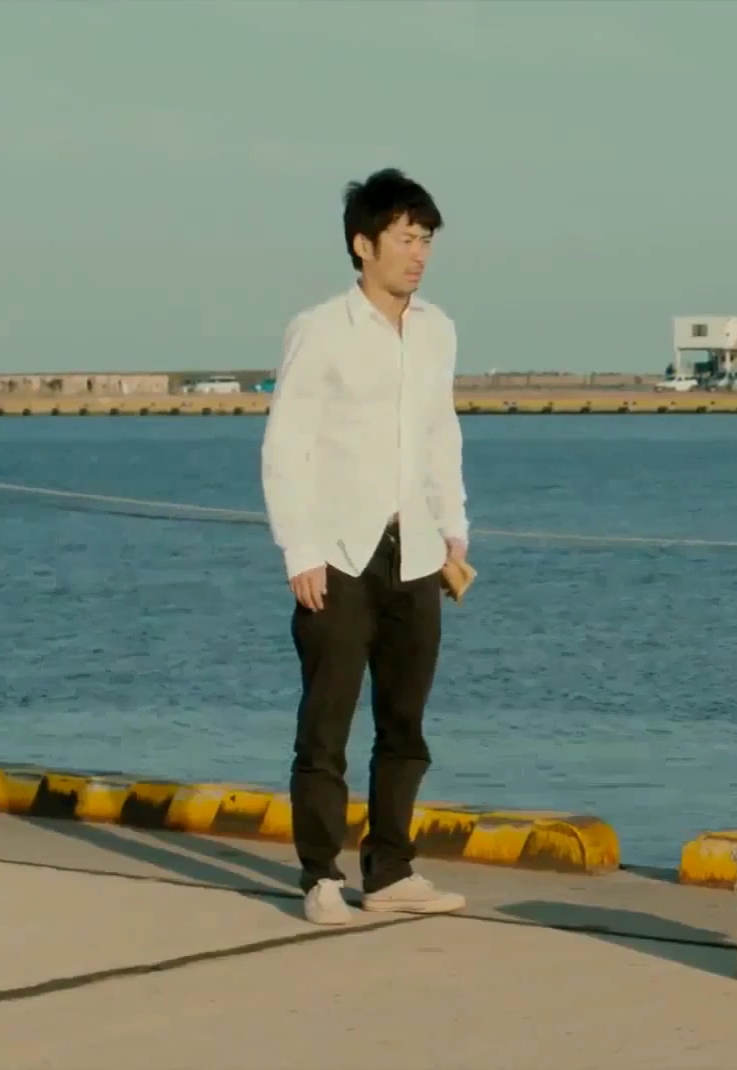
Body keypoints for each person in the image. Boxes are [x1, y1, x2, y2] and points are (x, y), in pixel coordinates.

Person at [260, 168, 471, 925]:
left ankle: (390, 871)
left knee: (405, 725)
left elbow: (440, 433)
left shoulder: (438, 330)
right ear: (363, 244)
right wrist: (300, 550)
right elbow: (286, 445)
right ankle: (320, 876)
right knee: (327, 724)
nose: (419, 254)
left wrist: (453, 526)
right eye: (406, 238)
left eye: (426, 239)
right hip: (338, 554)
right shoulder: (320, 329)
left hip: (416, 552)